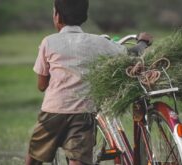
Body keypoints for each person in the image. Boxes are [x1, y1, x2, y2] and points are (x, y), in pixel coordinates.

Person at [26, 0, 153, 165]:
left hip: (53, 111)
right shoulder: (98, 42)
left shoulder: (49, 42)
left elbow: (42, 85)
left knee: (36, 152)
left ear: (57, 16)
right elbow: (132, 54)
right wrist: (143, 41)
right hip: (84, 112)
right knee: (77, 157)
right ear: (84, 16)